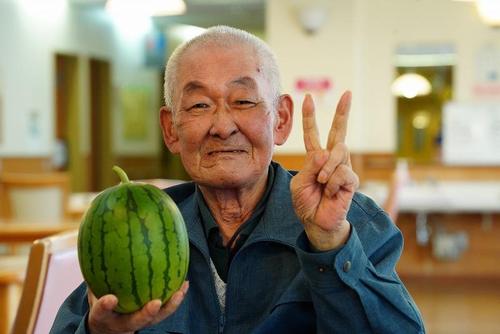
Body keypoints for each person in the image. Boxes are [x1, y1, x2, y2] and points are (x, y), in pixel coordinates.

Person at [51, 25, 425, 334]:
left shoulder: (348, 221)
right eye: (199, 105)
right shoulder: (139, 229)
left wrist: (330, 245)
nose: (222, 125)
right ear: (171, 130)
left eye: (243, 101)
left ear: (280, 119)